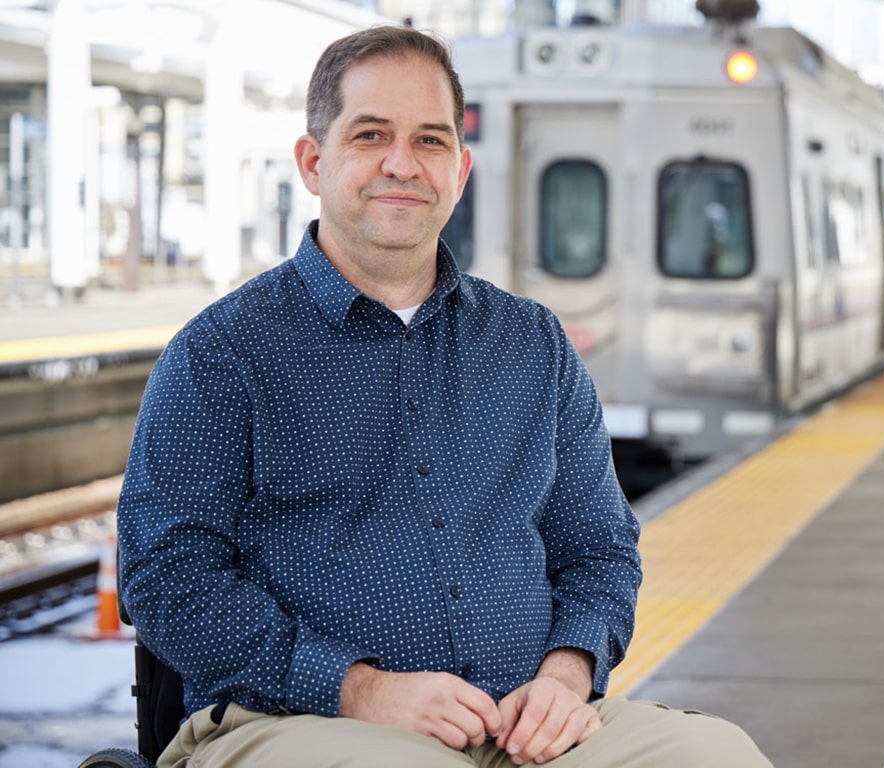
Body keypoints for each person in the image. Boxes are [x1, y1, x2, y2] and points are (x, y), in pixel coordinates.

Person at [117, 25, 772, 768]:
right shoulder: (221, 354)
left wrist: (566, 675)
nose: (403, 163)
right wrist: (359, 689)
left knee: (722, 755)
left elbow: (599, 551)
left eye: (430, 141)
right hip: (297, 721)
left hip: (522, 722)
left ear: (459, 170)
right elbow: (167, 580)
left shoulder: (534, 344)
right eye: (371, 135)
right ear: (313, 161)